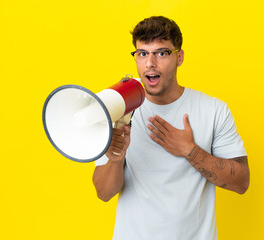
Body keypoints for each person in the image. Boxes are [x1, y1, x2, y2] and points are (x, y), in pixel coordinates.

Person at [93, 16, 250, 240]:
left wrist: (190, 150)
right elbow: (103, 193)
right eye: (142, 53)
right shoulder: (118, 109)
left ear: (179, 57)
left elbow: (241, 182)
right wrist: (116, 159)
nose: (150, 63)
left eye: (162, 53)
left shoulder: (214, 110)